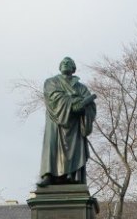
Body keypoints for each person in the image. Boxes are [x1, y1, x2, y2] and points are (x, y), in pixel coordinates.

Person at [38, 56, 97, 187]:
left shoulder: (81, 87)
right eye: (63, 62)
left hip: (75, 126)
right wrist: (74, 103)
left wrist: (84, 107)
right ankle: (49, 175)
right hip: (56, 123)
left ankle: (73, 175)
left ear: (73, 68)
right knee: (52, 146)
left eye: (69, 62)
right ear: (60, 67)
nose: (65, 63)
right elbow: (53, 97)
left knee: (75, 148)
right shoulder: (51, 82)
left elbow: (91, 106)